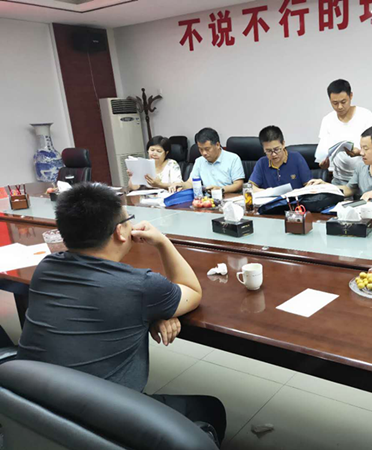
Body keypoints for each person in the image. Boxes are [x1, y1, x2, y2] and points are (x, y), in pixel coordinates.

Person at [17, 183, 226, 444]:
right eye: (128, 220)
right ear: (120, 231)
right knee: (210, 408)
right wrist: (162, 242)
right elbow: (192, 291)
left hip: (33, 412)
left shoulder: (45, 268)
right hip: (103, 424)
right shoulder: (142, 287)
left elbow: (105, 302)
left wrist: (152, 312)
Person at [308, 126, 372, 203]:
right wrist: (325, 186)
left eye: (366, 149)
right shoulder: (361, 166)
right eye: (361, 148)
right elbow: (349, 189)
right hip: (366, 216)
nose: (361, 153)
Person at [314, 79, 372, 185]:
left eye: (343, 102)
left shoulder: (365, 115)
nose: (339, 107)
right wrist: (324, 163)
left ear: (351, 96)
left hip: (366, 177)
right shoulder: (327, 120)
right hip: (339, 178)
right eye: (335, 103)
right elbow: (324, 149)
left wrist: (359, 152)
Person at [169, 127, 245, 194]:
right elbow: (191, 182)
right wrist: (181, 185)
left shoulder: (233, 158)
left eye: (207, 149)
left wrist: (221, 189)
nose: (204, 153)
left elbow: (238, 185)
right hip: (207, 200)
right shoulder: (199, 161)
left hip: (228, 198)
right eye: (200, 149)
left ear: (217, 145)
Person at [249, 125, 312, 190]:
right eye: (268, 151)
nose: (273, 154)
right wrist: (266, 192)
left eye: (276, 149)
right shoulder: (262, 163)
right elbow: (250, 187)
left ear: (283, 144)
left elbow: (309, 185)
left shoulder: (296, 158)